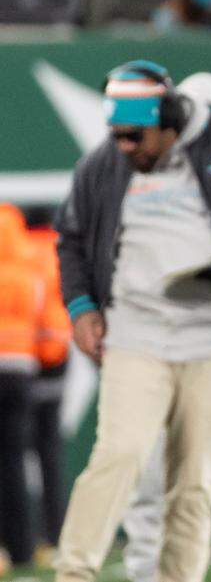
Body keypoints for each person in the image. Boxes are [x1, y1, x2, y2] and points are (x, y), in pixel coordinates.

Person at [53, 60, 211, 582]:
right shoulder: (105, 164)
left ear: (169, 121)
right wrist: (81, 307)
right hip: (136, 336)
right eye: (115, 134)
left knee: (195, 483)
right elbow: (72, 238)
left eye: (134, 136)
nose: (123, 146)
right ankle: (73, 573)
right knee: (119, 455)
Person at [20, 204, 73, 568]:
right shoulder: (63, 254)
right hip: (55, 358)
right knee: (50, 452)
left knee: (10, 457)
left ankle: (16, 539)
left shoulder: (16, 254)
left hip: (18, 360)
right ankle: (56, 537)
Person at [0, 204, 43, 574]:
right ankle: (22, 549)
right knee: (13, 461)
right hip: (21, 370)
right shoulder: (28, 274)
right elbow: (46, 321)